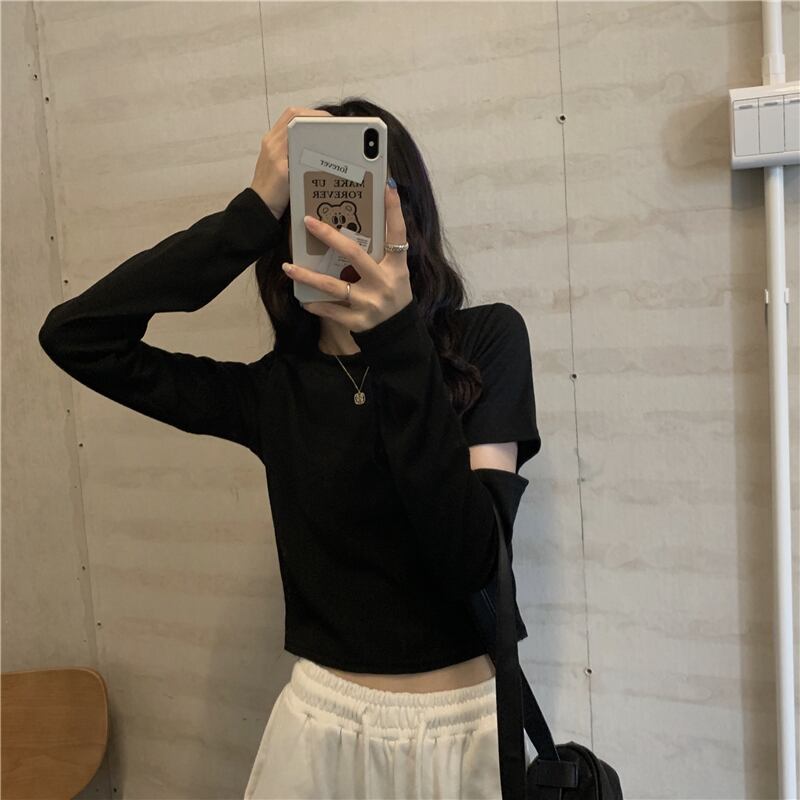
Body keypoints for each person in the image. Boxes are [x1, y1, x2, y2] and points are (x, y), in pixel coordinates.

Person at [38, 98, 542, 799]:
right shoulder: (273, 392)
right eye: (311, 207)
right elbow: (76, 336)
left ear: (407, 217)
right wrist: (248, 212)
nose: (340, 228)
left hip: (466, 732)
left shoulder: (485, 343)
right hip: (321, 730)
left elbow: (472, 561)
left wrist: (396, 338)